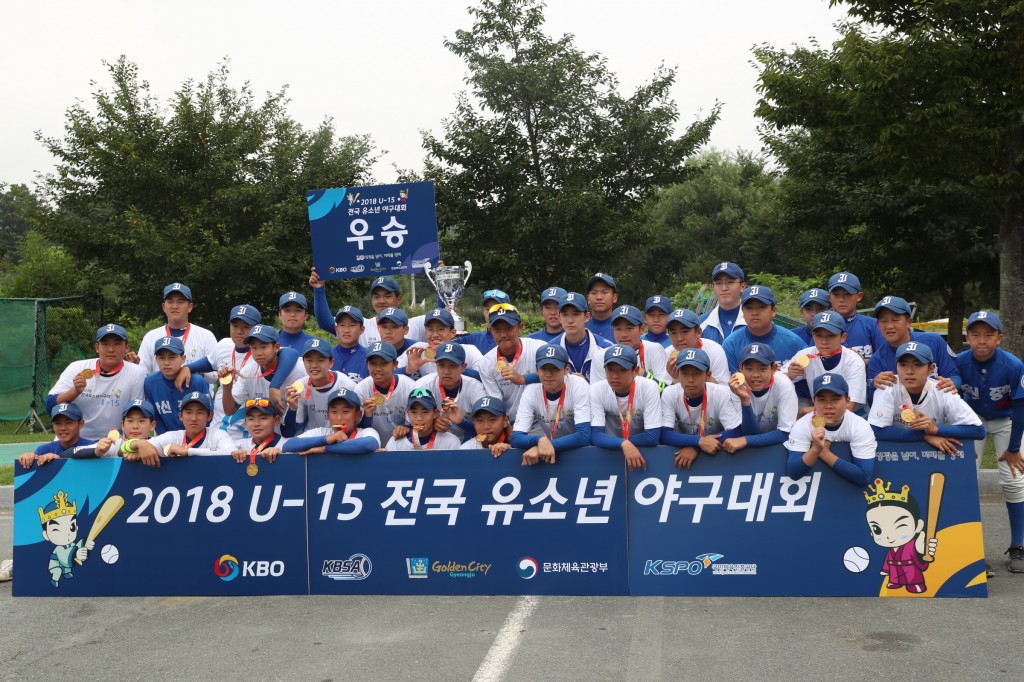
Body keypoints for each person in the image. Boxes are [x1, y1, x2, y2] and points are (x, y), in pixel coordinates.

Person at [955, 311, 1024, 573]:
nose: (981, 340)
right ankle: (970, 549)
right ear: (967, 337)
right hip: (973, 420)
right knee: (966, 480)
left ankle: (1019, 544)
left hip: (1007, 419)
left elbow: (1020, 409)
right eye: (975, 334)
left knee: (1014, 480)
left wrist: (1014, 449)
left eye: (988, 334)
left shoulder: (1013, 365)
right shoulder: (958, 362)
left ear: (999, 338)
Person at [868, 342, 985, 453]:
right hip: (893, 452)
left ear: (931, 369)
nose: (909, 371)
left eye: (918, 364)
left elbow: (978, 431)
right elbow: (875, 430)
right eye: (903, 364)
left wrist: (934, 429)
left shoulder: (942, 389)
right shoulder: (888, 385)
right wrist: (924, 435)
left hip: (928, 454)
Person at [46, 324, 146, 441]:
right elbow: (49, 406)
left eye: (117, 344)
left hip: (113, 442)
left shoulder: (137, 373)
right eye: (105, 344)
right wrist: (75, 391)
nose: (111, 349)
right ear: (97, 347)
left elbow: (135, 415)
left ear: (127, 347)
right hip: (73, 441)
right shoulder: (76, 367)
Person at [660, 348, 749, 470]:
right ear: (677, 374)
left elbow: (736, 431)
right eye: (685, 373)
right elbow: (664, 435)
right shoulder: (669, 393)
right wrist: (698, 442)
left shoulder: (721, 392)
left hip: (715, 457)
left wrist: (696, 447)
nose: (690, 379)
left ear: (708, 375)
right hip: (686, 454)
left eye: (697, 373)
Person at [785, 373, 876, 486]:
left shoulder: (859, 426)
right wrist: (816, 449)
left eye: (835, 399)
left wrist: (824, 453)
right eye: (822, 400)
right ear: (814, 401)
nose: (828, 406)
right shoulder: (803, 425)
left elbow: (864, 477)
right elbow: (793, 473)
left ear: (847, 400)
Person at [512, 344, 592, 464]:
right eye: (544, 369)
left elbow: (583, 436)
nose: (549, 374)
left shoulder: (578, 384)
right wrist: (539, 441)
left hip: (582, 453)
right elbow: (516, 438)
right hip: (549, 452)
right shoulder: (531, 390)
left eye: (555, 368)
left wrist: (543, 446)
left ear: (566, 369)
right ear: (537, 370)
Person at [589, 345, 663, 471]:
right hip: (611, 453)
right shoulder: (596, 389)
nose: (615, 376)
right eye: (610, 369)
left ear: (635, 371)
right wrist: (623, 444)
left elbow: (652, 437)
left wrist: (622, 443)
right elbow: (595, 435)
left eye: (622, 370)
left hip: (642, 453)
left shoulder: (649, 387)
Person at [868, 296, 960, 395]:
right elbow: (873, 401)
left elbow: (954, 374)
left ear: (908, 322)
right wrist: (874, 385)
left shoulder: (934, 341)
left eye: (895, 320)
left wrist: (953, 383)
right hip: (902, 410)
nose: (889, 326)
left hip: (939, 406)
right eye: (883, 321)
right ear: (877, 324)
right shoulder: (877, 360)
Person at [226, 325, 307, 433]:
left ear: (276, 347)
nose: (258, 353)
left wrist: (274, 386)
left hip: (299, 436)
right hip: (264, 436)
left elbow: (292, 353)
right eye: (254, 347)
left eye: (263, 347)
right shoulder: (248, 372)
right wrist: (227, 385)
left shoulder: (300, 368)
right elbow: (229, 410)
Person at [784, 311, 866, 415]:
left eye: (831, 335)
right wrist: (788, 376)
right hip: (819, 413)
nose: (824, 341)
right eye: (819, 335)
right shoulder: (805, 355)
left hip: (851, 417)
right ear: (813, 335)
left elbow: (849, 408)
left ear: (843, 337)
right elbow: (775, 379)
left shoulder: (854, 361)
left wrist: (805, 411)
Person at [722, 344, 799, 453]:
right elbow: (748, 432)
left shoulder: (784, 384)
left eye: (762, 369)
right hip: (752, 447)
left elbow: (785, 434)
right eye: (749, 369)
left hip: (776, 449)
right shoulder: (736, 386)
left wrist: (746, 440)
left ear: (773, 369)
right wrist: (745, 401)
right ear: (741, 368)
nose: (755, 375)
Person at [865, 479, 938, 594]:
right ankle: (895, 582)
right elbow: (888, 560)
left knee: (913, 578)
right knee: (895, 577)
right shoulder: (891, 550)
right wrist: (886, 570)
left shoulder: (913, 544)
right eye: (877, 529)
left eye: (900, 525)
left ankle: (915, 584)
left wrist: (924, 548)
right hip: (895, 570)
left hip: (910, 569)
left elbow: (920, 553)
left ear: (918, 526)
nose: (889, 536)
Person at [134, 282, 218, 377]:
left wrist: (192, 372)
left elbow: (217, 374)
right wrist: (132, 366)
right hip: (161, 391)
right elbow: (143, 373)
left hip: (197, 391)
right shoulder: (151, 337)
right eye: (170, 301)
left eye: (180, 302)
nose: (174, 306)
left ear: (190, 307)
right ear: (164, 307)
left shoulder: (205, 336)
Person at [479, 305, 546, 419]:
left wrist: (522, 379)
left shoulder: (539, 349)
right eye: (497, 329)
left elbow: (557, 376)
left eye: (509, 328)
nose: (503, 334)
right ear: (490, 330)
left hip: (543, 420)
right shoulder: (486, 363)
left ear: (520, 327)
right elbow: (496, 402)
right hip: (511, 423)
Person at [413, 342, 486, 442]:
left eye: (452, 366)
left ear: (463, 367)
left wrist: (462, 422)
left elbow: (486, 432)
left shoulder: (476, 388)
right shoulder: (422, 387)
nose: (446, 371)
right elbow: (411, 427)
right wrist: (429, 425)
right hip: (433, 447)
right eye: (441, 365)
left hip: (469, 446)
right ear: (436, 364)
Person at [282, 338, 357, 435]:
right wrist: (292, 409)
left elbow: (357, 422)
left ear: (331, 363)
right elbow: (287, 433)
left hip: (341, 438)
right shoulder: (299, 387)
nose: (314, 365)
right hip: (311, 439)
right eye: (309, 360)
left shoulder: (346, 384)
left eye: (320, 360)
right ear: (303, 362)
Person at [135, 392, 236, 464]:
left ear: (210, 416)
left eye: (200, 413)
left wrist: (187, 451)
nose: (193, 418)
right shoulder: (172, 437)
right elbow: (124, 448)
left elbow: (231, 453)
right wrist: (141, 444)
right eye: (188, 412)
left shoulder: (218, 434)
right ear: (180, 416)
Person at [721, 286, 804, 372]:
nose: (755, 313)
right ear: (742, 311)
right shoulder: (731, 344)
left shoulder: (793, 342)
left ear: (773, 310)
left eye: (761, 307)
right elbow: (728, 382)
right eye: (749, 308)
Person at [145, 336, 211, 434]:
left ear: (183, 358)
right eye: (161, 357)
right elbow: (155, 417)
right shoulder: (150, 382)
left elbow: (208, 416)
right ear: (156, 359)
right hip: (167, 440)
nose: (166, 363)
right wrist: (167, 441)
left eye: (172, 357)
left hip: (197, 439)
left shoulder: (197, 381)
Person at [355, 341, 417, 444]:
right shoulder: (361, 389)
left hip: (401, 445)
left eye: (384, 363)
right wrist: (367, 415)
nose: (378, 369)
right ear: (367, 365)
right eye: (373, 363)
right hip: (372, 448)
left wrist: (407, 427)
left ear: (395, 365)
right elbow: (359, 432)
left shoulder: (409, 386)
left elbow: (419, 422)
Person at [401, 308, 484, 382]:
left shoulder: (469, 350)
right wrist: (407, 369)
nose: (435, 335)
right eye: (430, 329)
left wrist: (460, 368)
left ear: (453, 333)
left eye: (441, 329)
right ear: (425, 333)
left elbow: (485, 377)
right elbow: (391, 375)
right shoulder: (418, 350)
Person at [290, 388, 381, 455]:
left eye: (345, 412)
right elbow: (289, 445)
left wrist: (325, 448)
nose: (339, 417)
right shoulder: (321, 432)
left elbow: (369, 444)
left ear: (358, 415)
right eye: (334, 412)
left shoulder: (366, 432)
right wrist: (326, 439)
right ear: (328, 415)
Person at [826, 271, 886, 362]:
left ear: (859, 296)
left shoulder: (874, 325)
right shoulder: (821, 327)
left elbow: (885, 359)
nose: (841, 300)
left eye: (848, 294)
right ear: (829, 297)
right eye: (836, 294)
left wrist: (855, 359)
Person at [554, 292, 613, 384]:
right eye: (565, 315)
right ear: (559, 318)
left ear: (587, 317)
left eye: (576, 314)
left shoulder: (606, 348)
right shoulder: (551, 348)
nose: (570, 320)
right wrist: (565, 380)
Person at [17, 403, 96, 469]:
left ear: (80, 424)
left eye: (69, 423)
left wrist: (58, 460)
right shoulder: (44, 450)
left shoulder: (92, 447)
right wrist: (28, 458)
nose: (63, 428)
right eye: (58, 423)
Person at [665, 309, 729, 385]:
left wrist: (702, 375)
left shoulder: (714, 350)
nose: (679, 338)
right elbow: (666, 394)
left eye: (685, 331)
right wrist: (675, 378)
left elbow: (723, 391)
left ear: (698, 332)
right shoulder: (667, 354)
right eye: (673, 332)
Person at [385, 388, 463, 451]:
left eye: (425, 412)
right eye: (414, 412)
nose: (419, 418)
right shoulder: (396, 441)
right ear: (407, 413)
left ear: (435, 413)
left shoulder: (450, 442)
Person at [610, 305, 671, 385]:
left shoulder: (654, 349)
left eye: (629, 328)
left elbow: (666, 389)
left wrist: (645, 375)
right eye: (618, 329)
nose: (623, 335)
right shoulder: (604, 355)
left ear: (642, 329)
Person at [700, 262, 747, 344]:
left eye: (730, 282)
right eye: (718, 283)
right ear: (713, 287)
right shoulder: (700, 323)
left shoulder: (756, 321)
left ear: (742, 286)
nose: (724, 288)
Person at [457, 289, 513, 355]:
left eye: (496, 309)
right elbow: (446, 344)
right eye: (488, 309)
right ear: (483, 312)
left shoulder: (515, 341)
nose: (490, 313)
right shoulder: (473, 339)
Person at [329, 305, 369, 382]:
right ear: (336, 329)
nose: (346, 330)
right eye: (342, 325)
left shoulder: (369, 357)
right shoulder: (326, 355)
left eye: (352, 325)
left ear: (362, 329)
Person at [584, 272, 619, 342]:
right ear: (588, 299)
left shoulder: (623, 329)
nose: (599, 297)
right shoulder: (580, 328)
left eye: (605, 292)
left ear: (614, 298)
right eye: (594, 293)